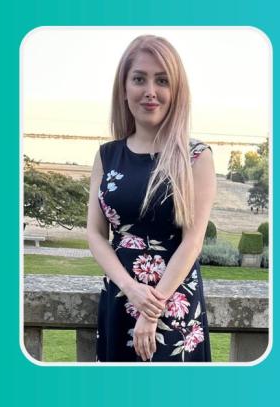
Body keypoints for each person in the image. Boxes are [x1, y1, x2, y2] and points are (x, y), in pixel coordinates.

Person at [86, 35, 217, 362]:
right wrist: (130, 289)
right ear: (124, 88)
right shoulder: (106, 156)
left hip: (174, 306)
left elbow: (193, 242)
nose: (150, 91)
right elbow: (95, 234)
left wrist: (150, 310)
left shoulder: (196, 157)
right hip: (119, 298)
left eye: (162, 81)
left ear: (176, 92)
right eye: (139, 79)